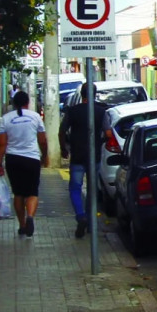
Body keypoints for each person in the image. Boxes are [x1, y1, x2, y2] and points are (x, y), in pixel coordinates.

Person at [58, 81, 112, 239]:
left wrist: (63, 149)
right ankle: (89, 221)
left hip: (77, 156)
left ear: (81, 94)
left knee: (75, 188)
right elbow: (108, 134)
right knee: (92, 190)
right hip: (93, 156)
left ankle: (80, 216)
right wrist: (101, 143)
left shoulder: (72, 111)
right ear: (95, 95)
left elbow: (62, 131)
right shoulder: (101, 112)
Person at [0, 90, 49, 237]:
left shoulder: (5, 119)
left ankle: (22, 225)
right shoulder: (36, 117)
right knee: (32, 192)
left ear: (13, 103)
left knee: (18, 193)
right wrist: (45, 156)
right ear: (28, 102)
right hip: (32, 159)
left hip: (13, 160)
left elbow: (1, 144)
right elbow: (42, 141)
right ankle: (30, 216)